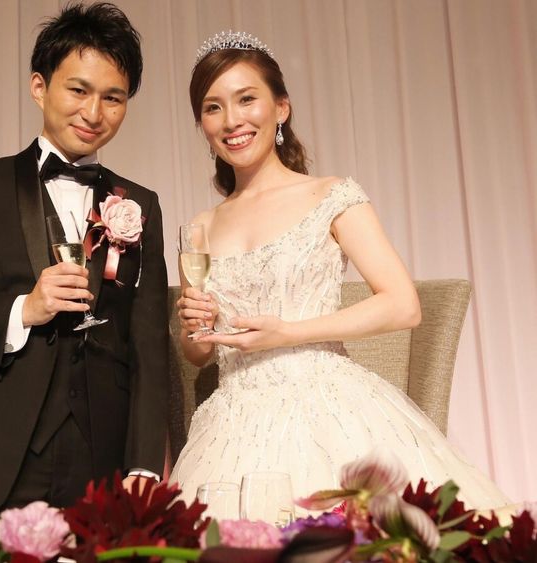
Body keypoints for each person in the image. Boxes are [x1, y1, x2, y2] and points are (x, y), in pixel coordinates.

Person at [169, 31, 509, 509]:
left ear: (281, 108)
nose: (232, 120)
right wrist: (194, 327)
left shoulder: (331, 196)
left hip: (326, 405)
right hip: (232, 419)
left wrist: (288, 333)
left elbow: (403, 306)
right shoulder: (199, 228)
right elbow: (199, 351)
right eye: (213, 107)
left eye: (246, 99)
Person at [0, 2, 169, 538]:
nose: (94, 112)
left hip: (103, 465)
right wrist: (23, 310)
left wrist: (143, 465)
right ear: (39, 87)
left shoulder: (139, 203)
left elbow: (148, 345)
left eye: (113, 97)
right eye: (78, 90)